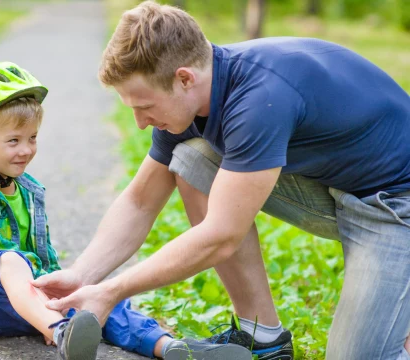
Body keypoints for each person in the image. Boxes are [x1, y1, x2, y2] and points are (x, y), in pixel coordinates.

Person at [31, 2, 410, 360]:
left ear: (183, 78)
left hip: (395, 205)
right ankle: (262, 335)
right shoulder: (193, 96)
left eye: (145, 107)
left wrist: (112, 291)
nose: (141, 123)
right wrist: (82, 277)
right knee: (193, 157)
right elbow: (140, 201)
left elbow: (221, 235)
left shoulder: (258, 98)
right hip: (338, 188)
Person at [0, 61, 251, 360]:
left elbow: (43, 253)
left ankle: (169, 347)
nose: (26, 150)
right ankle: (60, 331)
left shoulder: (28, 188)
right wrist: (51, 305)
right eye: (13, 141)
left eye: (33, 138)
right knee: (9, 260)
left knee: (93, 294)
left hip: (25, 303)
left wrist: (66, 294)